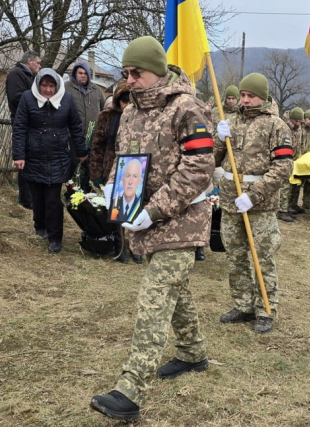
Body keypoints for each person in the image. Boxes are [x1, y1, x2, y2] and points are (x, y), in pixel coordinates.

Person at [90, 36, 214, 421]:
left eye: (137, 72)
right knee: (176, 289)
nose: (130, 80)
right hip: (145, 219)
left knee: (155, 296)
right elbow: (124, 160)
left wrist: (156, 209)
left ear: (158, 70)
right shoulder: (129, 112)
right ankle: (193, 353)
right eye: (126, 73)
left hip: (183, 219)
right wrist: (113, 189)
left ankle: (131, 388)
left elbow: (198, 168)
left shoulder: (187, 109)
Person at [215, 72, 293, 334]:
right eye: (243, 96)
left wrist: (254, 194)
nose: (245, 100)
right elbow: (213, 159)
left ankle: (265, 308)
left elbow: (283, 167)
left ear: (262, 96)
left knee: (262, 257)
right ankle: (243, 304)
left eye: (250, 96)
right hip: (229, 202)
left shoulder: (276, 125)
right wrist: (217, 137)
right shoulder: (231, 121)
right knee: (235, 256)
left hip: (259, 205)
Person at [12, 68, 87, 254]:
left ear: (57, 85)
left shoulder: (67, 99)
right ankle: (40, 226)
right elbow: (20, 127)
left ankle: (55, 238)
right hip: (34, 156)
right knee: (37, 196)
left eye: (51, 85)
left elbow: (76, 127)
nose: (47, 90)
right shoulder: (28, 98)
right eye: (44, 85)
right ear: (38, 85)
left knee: (53, 200)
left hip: (58, 156)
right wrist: (19, 155)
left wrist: (81, 151)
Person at [89, 80, 140, 263]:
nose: (127, 105)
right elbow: (97, 146)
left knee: (134, 207)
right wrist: (95, 173)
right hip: (111, 167)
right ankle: (119, 248)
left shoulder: (140, 117)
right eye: (124, 101)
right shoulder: (106, 117)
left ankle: (135, 247)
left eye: (130, 101)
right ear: (118, 101)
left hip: (134, 168)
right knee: (116, 210)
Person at [6, 50, 41, 209]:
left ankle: (32, 197)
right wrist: (36, 100)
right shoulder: (16, 74)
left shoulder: (29, 77)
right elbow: (16, 97)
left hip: (32, 122)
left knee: (33, 159)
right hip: (23, 122)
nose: (39, 66)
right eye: (38, 62)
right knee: (24, 161)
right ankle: (26, 200)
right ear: (29, 61)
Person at [65, 60, 105, 191]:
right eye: (80, 73)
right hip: (73, 134)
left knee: (90, 163)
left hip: (93, 134)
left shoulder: (97, 90)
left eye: (85, 73)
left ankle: (85, 188)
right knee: (74, 163)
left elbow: (104, 109)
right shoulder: (67, 88)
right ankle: (71, 189)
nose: (83, 76)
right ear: (75, 74)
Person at [277, 107, 303, 222]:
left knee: (291, 186)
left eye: (300, 122)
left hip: (294, 161)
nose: (298, 124)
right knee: (285, 187)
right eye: (296, 121)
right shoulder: (284, 128)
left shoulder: (298, 129)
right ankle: (281, 211)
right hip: (284, 160)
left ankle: (287, 208)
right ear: (291, 119)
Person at [110, 158, 143, 222]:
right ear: (122, 180)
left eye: (135, 176)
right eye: (128, 176)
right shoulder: (114, 203)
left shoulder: (141, 206)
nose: (130, 182)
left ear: (139, 181)